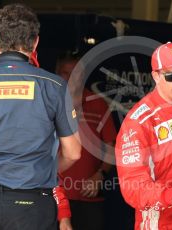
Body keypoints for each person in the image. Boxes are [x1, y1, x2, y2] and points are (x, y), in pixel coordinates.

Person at [0, 3, 81, 230]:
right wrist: (40, 169)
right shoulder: (55, 86)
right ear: (35, 42)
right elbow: (74, 153)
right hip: (33, 202)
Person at [115, 42, 172, 230]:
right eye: (171, 75)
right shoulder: (139, 121)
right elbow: (132, 185)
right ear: (156, 76)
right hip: (161, 221)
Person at [56, 51, 117, 230]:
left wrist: (100, 174)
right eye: (65, 73)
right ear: (56, 73)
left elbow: (111, 146)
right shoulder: (48, 101)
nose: (70, 78)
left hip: (88, 198)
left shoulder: (97, 103)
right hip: (54, 197)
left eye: (75, 73)